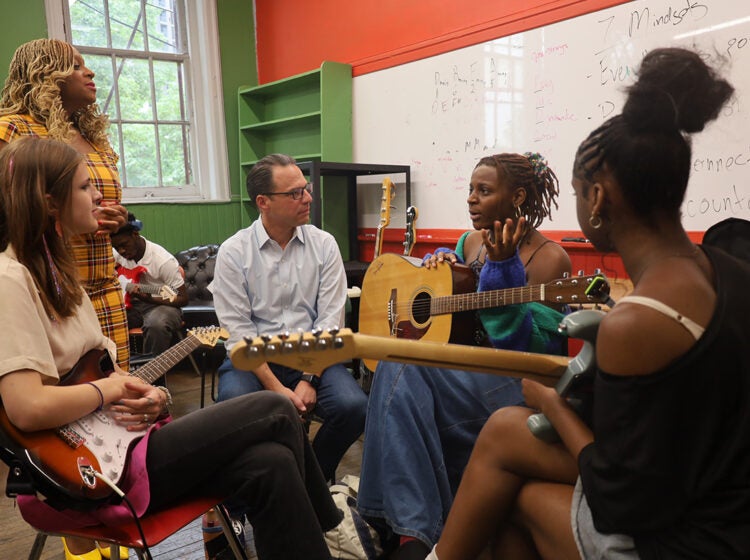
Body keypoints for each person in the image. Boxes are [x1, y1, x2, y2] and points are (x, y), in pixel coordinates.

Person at [431, 48, 750, 560]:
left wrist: (552, 403)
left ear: (598, 199)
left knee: (513, 495)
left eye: (579, 193)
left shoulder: (640, 318)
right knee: (505, 433)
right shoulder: (728, 268)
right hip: (710, 485)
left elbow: (621, 500)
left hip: (691, 535)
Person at [0, 136, 342, 560]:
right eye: (86, 186)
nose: (100, 196)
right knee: (275, 409)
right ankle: (335, 525)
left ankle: (326, 538)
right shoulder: (10, 280)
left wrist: (152, 394)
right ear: (49, 202)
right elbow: (26, 408)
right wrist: (112, 391)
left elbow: (102, 376)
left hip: (119, 442)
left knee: (271, 463)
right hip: (85, 471)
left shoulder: (62, 279)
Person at [357, 152, 572, 559]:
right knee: (397, 357)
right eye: (470, 189)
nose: (471, 199)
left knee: (402, 365)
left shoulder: (549, 258)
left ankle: (407, 532)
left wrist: (505, 266)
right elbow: (451, 299)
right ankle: (407, 532)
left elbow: (522, 347)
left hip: (515, 384)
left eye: (484, 191)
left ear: (519, 197)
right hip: (466, 370)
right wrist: (435, 265)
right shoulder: (470, 241)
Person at [210, 153, 368, 484]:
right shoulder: (234, 252)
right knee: (234, 408)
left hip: (311, 356)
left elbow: (330, 322)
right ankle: (241, 502)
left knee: (354, 407)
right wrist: (277, 388)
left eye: (306, 188)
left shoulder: (324, 245)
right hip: (252, 360)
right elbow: (239, 335)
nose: (308, 198)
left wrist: (308, 379)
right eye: (295, 193)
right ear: (263, 202)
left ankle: (312, 480)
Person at [0, 38, 129, 370]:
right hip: (46, 291)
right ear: (45, 74)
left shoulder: (94, 139)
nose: (89, 72)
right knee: (62, 399)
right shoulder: (12, 128)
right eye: (74, 65)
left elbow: (94, 200)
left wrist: (117, 219)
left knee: (117, 397)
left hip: (103, 288)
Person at [111, 213, 189, 357]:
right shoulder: (117, 255)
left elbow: (183, 298)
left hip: (162, 305)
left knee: (156, 325)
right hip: (132, 305)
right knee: (106, 321)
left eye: (124, 245)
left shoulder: (163, 260)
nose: (121, 251)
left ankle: (153, 374)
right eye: (116, 247)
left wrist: (150, 299)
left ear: (135, 234)